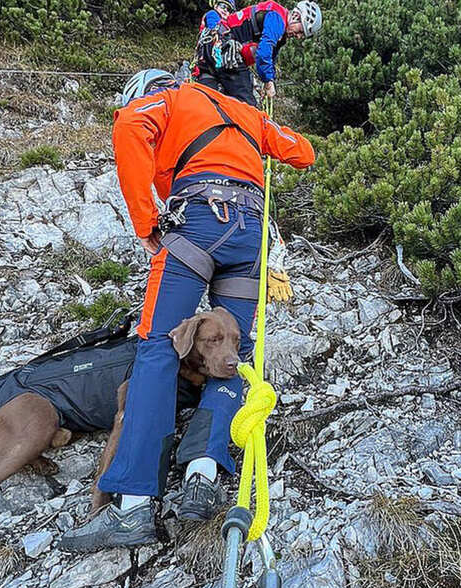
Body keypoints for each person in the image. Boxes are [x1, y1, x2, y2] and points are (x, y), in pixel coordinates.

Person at [58, 71, 315, 552]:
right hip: (250, 233)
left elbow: (131, 125)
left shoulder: (168, 100)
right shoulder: (247, 114)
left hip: (199, 220)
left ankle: (133, 507)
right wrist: (262, 130)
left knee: (158, 348)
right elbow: (302, 151)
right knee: (234, 352)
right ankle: (202, 472)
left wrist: (146, 222)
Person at [195, 0, 322, 106]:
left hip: (211, 55)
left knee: (205, 102)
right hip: (225, 52)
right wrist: (267, 81)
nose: (299, 36)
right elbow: (263, 54)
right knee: (248, 108)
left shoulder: (280, 34)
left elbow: (271, 59)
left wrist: (270, 79)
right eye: (300, 31)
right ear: (295, 16)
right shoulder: (277, 18)